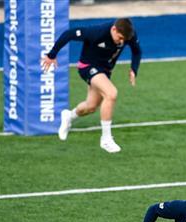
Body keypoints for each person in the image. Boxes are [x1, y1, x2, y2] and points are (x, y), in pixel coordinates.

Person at [41, 18, 142, 153]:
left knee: (91, 106)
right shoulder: (97, 32)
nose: (122, 42)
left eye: (125, 40)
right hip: (87, 66)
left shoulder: (128, 34)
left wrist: (133, 69)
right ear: (114, 29)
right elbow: (69, 34)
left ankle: (69, 116)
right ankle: (106, 139)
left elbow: (137, 51)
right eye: (120, 38)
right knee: (111, 93)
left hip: (105, 71)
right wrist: (52, 54)